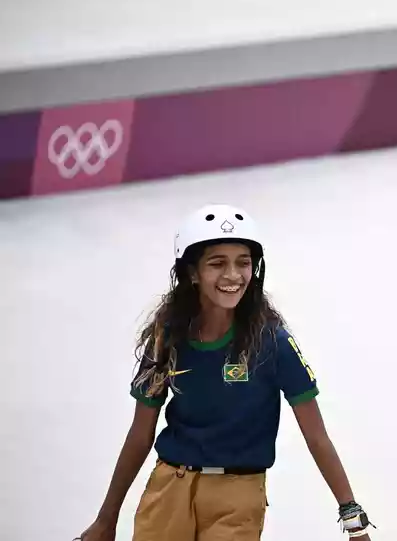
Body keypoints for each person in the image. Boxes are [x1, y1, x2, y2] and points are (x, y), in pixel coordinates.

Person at [77, 204, 374, 541]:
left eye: (243, 263)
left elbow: (316, 436)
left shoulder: (273, 343)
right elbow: (140, 434)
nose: (233, 275)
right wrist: (106, 519)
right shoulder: (167, 337)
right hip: (168, 491)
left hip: (237, 497)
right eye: (217, 263)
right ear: (192, 272)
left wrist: (353, 520)